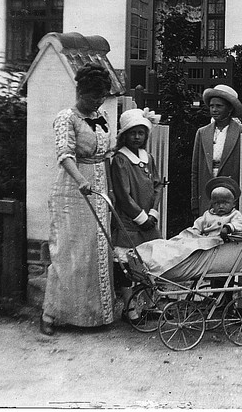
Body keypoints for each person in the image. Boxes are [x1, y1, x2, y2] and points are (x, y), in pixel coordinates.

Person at [41, 63, 115, 336]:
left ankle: (93, 316)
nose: (98, 101)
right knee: (70, 252)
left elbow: (107, 153)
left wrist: (110, 189)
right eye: (94, 95)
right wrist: (81, 179)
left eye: (102, 96)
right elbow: (65, 154)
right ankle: (51, 315)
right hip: (73, 190)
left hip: (99, 187)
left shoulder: (103, 115)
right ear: (80, 92)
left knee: (96, 251)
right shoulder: (66, 118)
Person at [110, 107, 163, 323]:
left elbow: (157, 185)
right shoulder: (120, 160)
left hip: (148, 221)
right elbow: (123, 195)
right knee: (126, 265)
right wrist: (140, 217)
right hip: (130, 221)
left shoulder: (148, 157)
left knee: (149, 262)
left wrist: (152, 213)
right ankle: (130, 307)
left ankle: (150, 304)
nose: (137, 137)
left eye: (141, 133)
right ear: (124, 135)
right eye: (132, 133)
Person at [191, 84, 242, 218]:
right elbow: (195, 169)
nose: (214, 109)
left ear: (230, 108)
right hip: (207, 190)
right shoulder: (202, 132)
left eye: (219, 106)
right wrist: (195, 201)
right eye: (212, 106)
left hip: (231, 191)